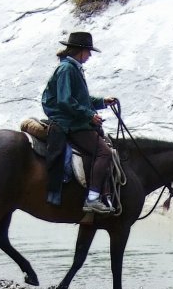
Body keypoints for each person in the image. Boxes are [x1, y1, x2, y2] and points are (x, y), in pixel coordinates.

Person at [41, 31, 117, 215]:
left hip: (72, 118)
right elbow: (65, 101)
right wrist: (89, 116)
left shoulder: (72, 68)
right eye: (88, 51)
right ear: (81, 51)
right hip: (68, 121)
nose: (90, 55)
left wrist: (101, 102)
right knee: (104, 152)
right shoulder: (67, 69)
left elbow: (80, 99)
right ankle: (92, 199)